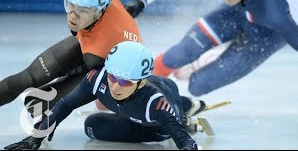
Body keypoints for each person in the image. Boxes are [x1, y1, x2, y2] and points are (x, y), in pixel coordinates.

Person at [124, 0, 298, 110]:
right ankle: (133, 94)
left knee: (197, 86)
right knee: (180, 54)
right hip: (237, 11)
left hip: (267, 36)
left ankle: (209, 58)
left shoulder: (275, 13)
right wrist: (143, 0)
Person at [4, 41, 202, 150]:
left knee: (168, 124)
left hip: (161, 109)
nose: (116, 86)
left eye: (125, 81)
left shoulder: (156, 104)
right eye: (113, 77)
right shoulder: (97, 79)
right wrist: (37, 136)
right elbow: (65, 104)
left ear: (141, 83)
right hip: (135, 108)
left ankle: (183, 112)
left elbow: (185, 143)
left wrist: (184, 139)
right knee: (91, 126)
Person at [0, 0, 140, 113]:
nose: (72, 16)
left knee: (36, 104)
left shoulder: (96, 55)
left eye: (82, 10)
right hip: (98, 37)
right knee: (27, 78)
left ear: (99, 12)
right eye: (70, 5)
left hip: (104, 61)